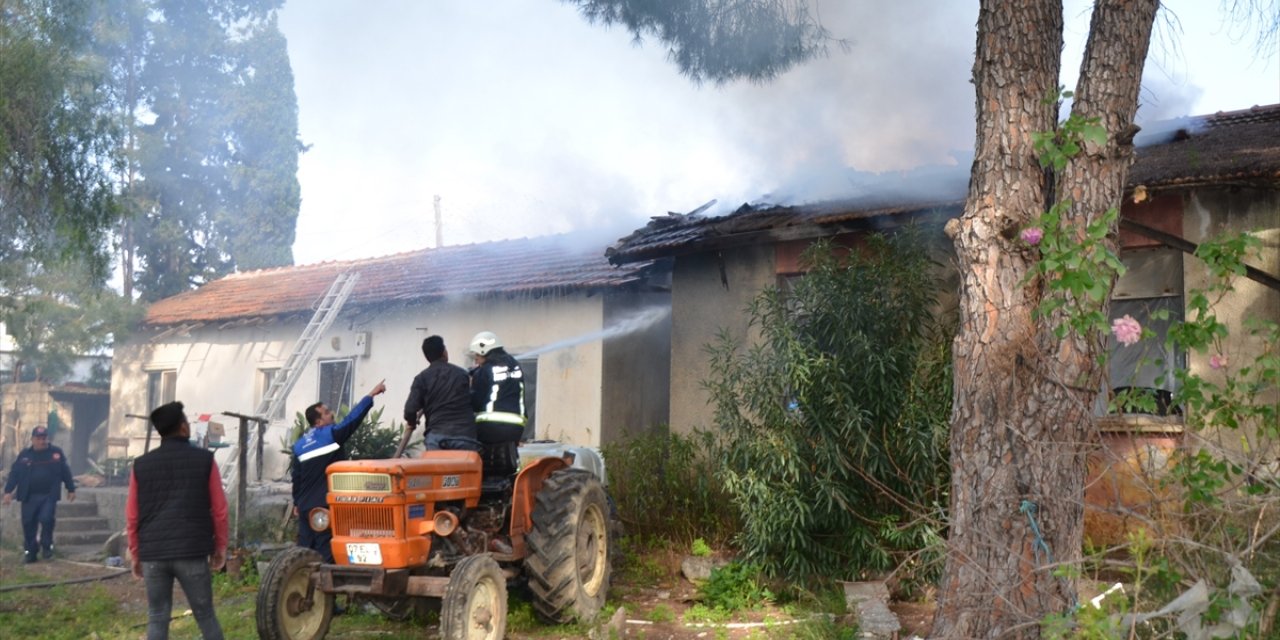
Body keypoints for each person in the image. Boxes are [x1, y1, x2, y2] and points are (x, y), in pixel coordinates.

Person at [126, 402, 228, 640]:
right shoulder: (204, 460)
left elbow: (132, 515)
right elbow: (220, 509)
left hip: (153, 552)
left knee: (157, 616)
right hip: (191, 551)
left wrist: (135, 552)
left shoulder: (141, 465)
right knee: (205, 615)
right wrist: (220, 546)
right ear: (183, 428)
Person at [291, 380, 386, 562]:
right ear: (318, 422)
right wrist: (371, 395)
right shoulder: (330, 435)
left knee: (303, 553)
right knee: (325, 553)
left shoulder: (299, 445)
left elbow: (297, 478)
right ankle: (327, 589)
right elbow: (352, 419)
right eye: (327, 413)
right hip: (324, 506)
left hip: (305, 507)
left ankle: (304, 587)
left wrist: (296, 502)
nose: (332, 414)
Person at [3, 425, 76, 563]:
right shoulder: (25, 455)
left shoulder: (56, 453)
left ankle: (47, 548)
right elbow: (15, 474)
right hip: (28, 496)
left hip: (48, 495)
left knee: (47, 519)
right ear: (32, 439)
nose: (42, 441)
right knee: (28, 523)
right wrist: (8, 491)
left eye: (44, 438)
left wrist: (70, 488)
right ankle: (31, 552)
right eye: (39, 438)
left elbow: (65, 471)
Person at [403, 335, 481, 452]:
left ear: (427, 357)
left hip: (437, 438)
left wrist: (412, 422)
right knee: (464, 470)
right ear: (444, 352)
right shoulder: (462, 375)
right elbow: (476, 402)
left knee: (438, 469)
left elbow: (410, 410)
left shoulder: (422, 379)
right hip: (465, 436)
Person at [467, 331, 528, 443]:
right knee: (507, 457)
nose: (475, 358)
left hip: (490, 426)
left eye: (477, 354)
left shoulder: (484, 371)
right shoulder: (515, 365)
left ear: (484, 350)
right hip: (516, 426)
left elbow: (476, 403)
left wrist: (471, 384)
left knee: (485, 458)